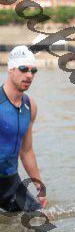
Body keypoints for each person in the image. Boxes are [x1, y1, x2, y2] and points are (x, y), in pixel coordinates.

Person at [0, 46, 47, 213]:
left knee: (39, 216)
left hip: (10, 181)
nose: (29, 75)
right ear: (11, 69)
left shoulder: (30, 106)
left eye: (33, 71)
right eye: (23, 69)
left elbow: (26, 151)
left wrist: (39, 186)